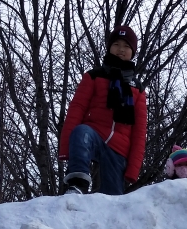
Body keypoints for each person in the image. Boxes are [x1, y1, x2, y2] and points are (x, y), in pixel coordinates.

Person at [58, 25, 148, 195]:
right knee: (81, 131)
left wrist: (133, 170)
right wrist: (65, 149)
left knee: (113, 199)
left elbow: (140, 131)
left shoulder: (138, 89)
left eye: (126, 46)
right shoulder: (94, 76)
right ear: (109, 47)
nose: (120, 50)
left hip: (119, 148)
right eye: (116, 45)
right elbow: (76, 109)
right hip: (93, 134)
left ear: (133, 52)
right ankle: (77, 184)